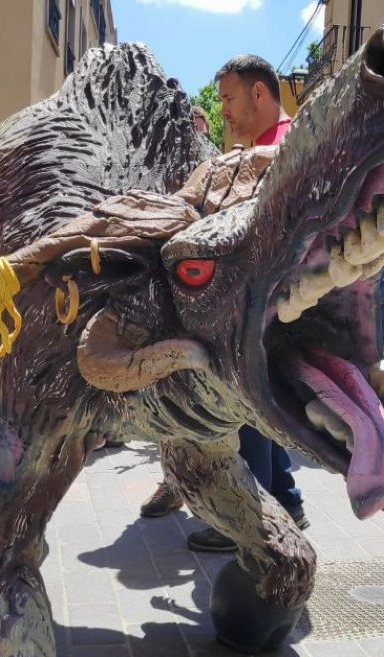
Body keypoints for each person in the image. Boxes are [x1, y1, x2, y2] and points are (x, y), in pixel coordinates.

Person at [139, 55, 308, 553]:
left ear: (259, 93)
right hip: (266, 306)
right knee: (262, 412)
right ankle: (287, 500)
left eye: (229, 98)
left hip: (261, 309)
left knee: (243, 410)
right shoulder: (263, 148)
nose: (223, 111)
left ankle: (252, 521)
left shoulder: (282, 150)